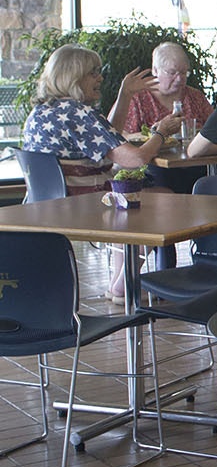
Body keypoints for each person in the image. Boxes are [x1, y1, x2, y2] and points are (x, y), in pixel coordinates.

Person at [24, 45, 182, 299]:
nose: (100, 78)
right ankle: (122, 283)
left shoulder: (42, 111)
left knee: (132, 197)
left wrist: (125, 95)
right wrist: (161, 133)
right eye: (92, 73)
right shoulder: (78, 113)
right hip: (81, 205)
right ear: (73, 77)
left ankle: (120, 285)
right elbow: (136, 159)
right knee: (163, 199)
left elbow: (107, 136)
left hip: (45, 205)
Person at [124, 41, 215, 193]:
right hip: (154, 169)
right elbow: (121, 135)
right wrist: (155, 133)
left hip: (196, 166)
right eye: (172, 73)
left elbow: (214, 129)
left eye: (184, 73)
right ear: (155, 70)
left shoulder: (196, 97)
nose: (179, 79)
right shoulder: (137, 99)